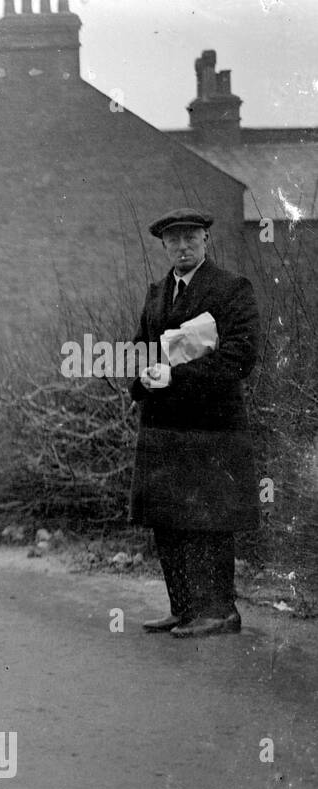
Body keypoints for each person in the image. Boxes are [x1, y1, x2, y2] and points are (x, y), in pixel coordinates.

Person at [128, 208, 260, 638]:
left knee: (209, 518)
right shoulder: (155, 293)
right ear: (164, 246)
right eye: (173, 240)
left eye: (190, 238)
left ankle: (220, 612)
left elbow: (240, 357)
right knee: (168, 517)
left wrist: (176, 376)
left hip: (211, 426)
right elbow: (140, 351)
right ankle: (183, 608)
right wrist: (143, 376)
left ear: (206, 239)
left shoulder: (230, 289)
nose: (182, 247)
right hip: (163, 426)